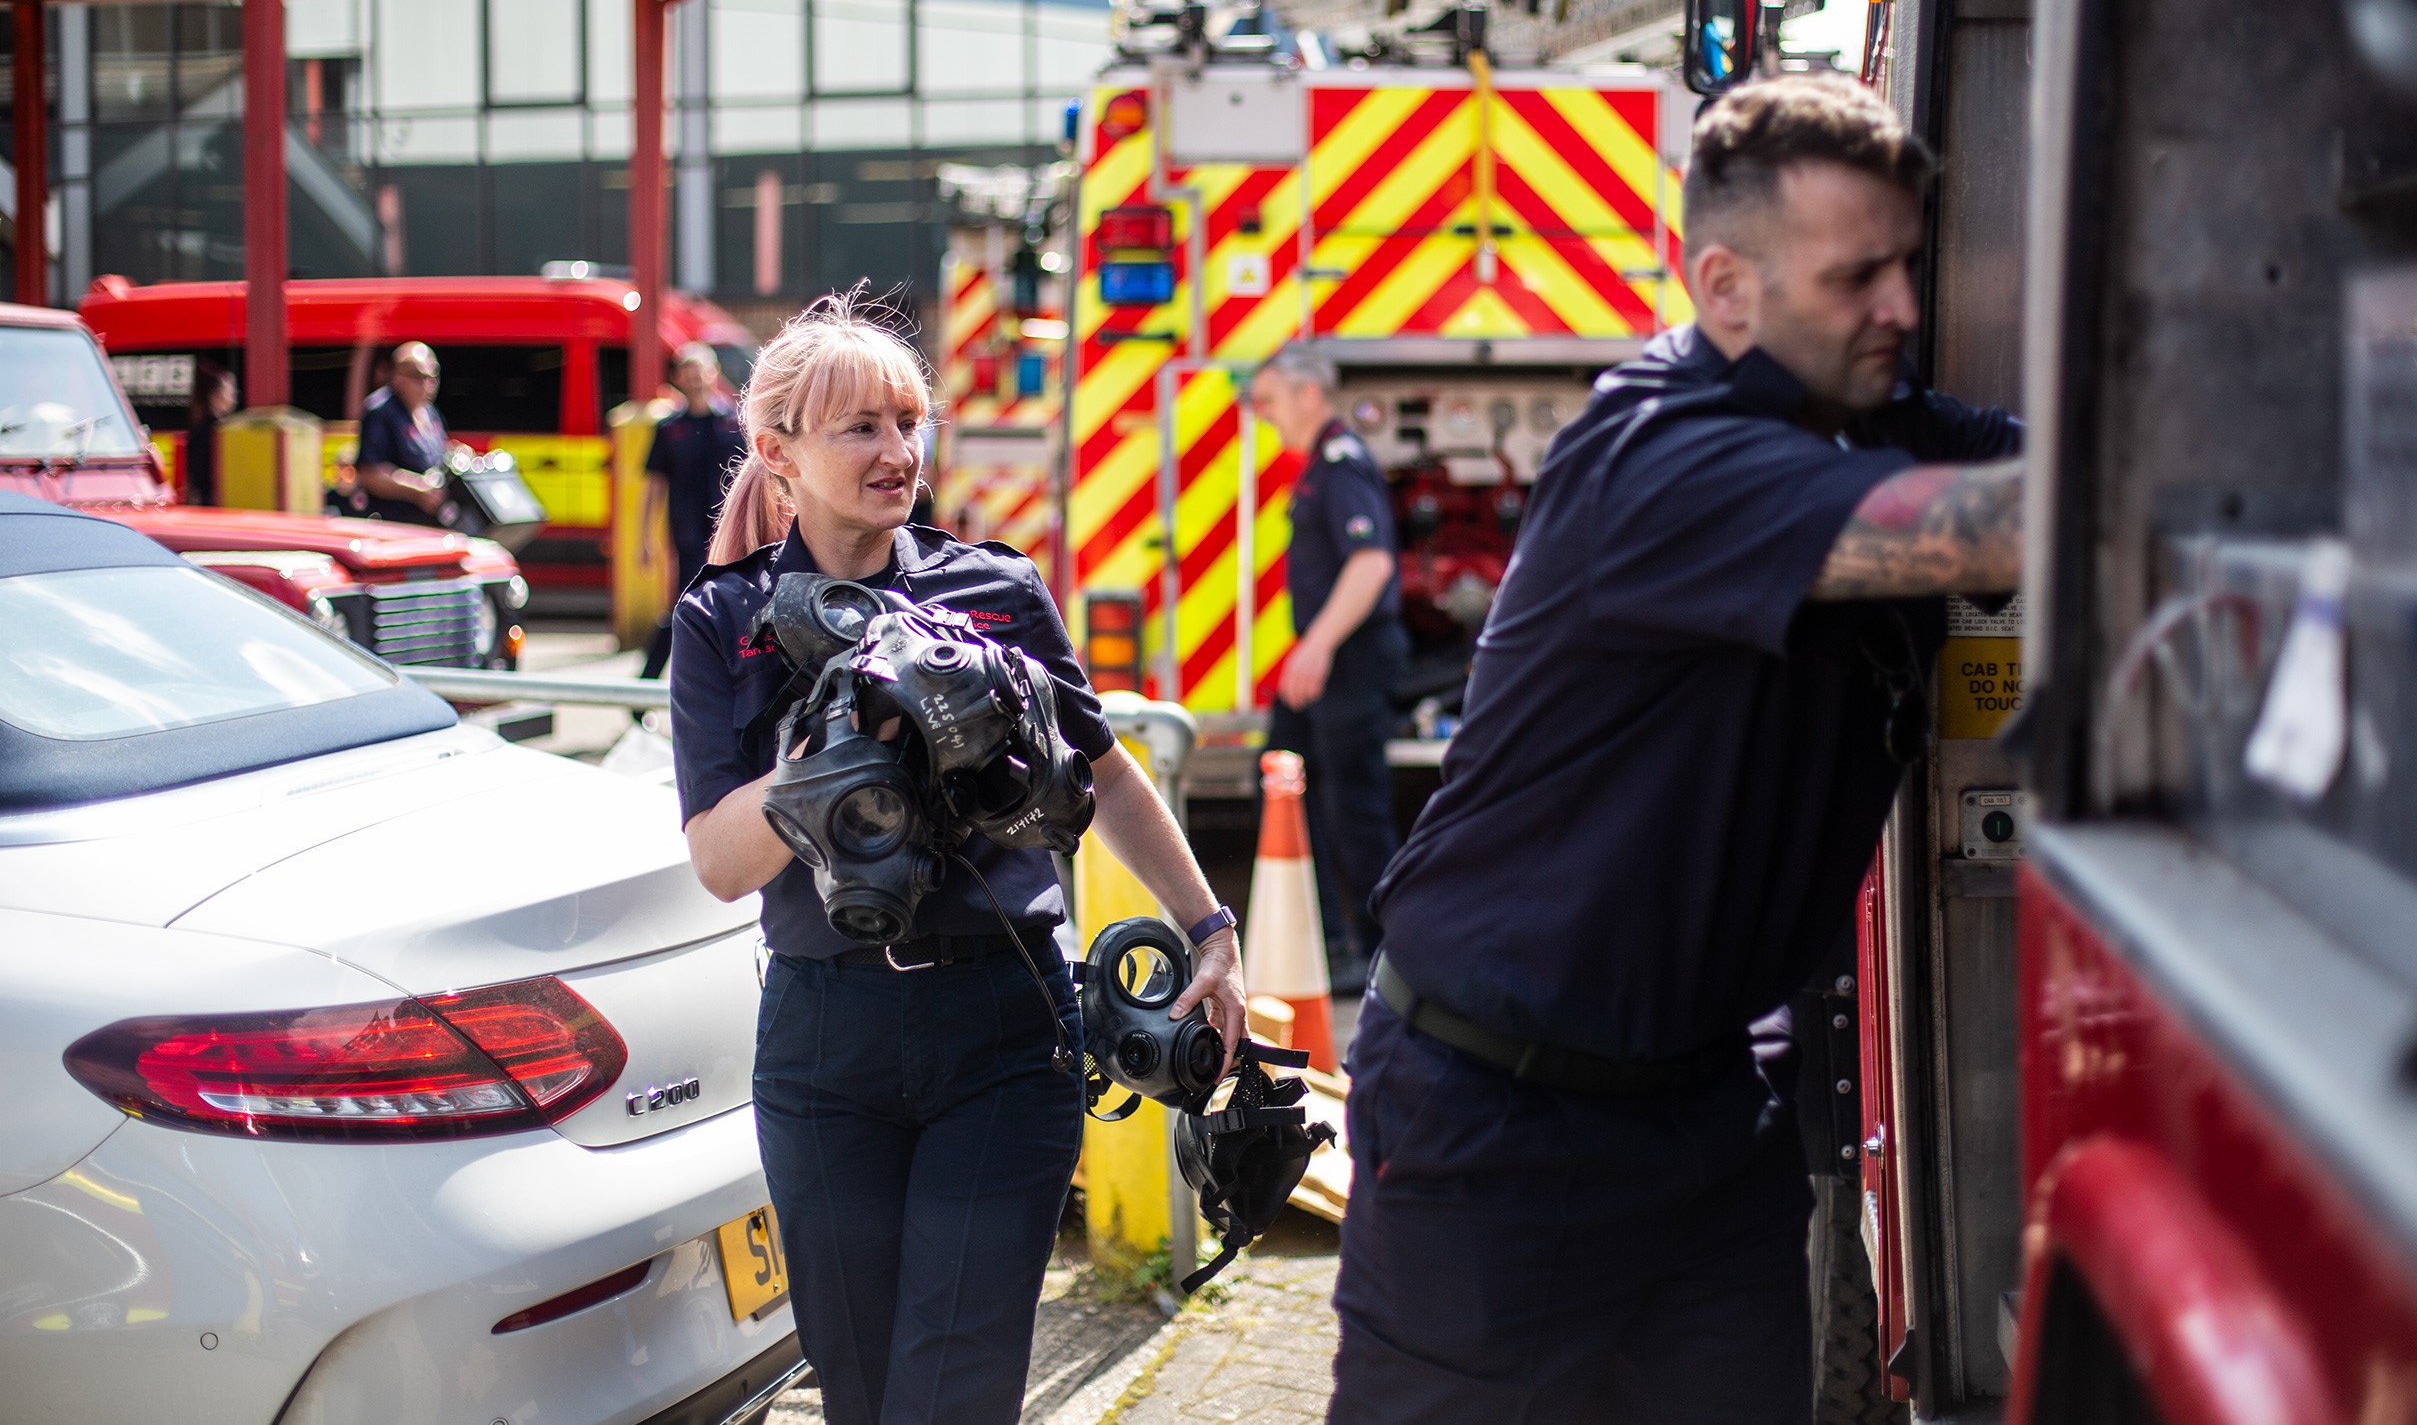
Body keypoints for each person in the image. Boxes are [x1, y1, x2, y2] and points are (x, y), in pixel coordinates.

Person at [1328, 75, 2025, 1423]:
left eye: (1908, 264)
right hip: (1497, 1126)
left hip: (1706, 1114)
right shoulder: (1657, 454)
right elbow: (2003, 524)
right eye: (1857, 274)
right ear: (1725, 285)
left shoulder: (1865, 413)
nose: (1900, 306)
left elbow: (2024, 464)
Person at [669, 296, 1248, 1425]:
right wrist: (824, 763)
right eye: (860, 429)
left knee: (954, 1392)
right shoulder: (723, 620)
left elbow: (1110, 770)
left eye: (907, 420)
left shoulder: (997, 587)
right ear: (778, 453)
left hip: (1005, 1027)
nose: (897, 453)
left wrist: (1212, 930)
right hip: (824, 1041)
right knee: (862, 1388)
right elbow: (718, 863)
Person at [1247, 343, 1405, 991]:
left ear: (1309, 394)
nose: (1264, 414)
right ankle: (1328, 942)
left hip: (1349, 658)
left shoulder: (1340, 464)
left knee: (1354, 807)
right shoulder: (1319, 465)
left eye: (1271, 399)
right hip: (1327, 659)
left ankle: (1383, 953)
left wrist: (1316, 645)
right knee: (1286, 780)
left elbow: (1371, 564)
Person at [639, 342, 747, 678]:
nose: (696, 379)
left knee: (730, 605)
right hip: (687, 534)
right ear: (678, 379)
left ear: (714, 374)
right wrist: (644, 538)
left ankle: (726, 680)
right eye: (688, 373)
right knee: (686, 605)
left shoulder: (734, 422)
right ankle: (647, 683)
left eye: (701, 371)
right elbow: (653, 486)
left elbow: (755, 479)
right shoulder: (670, 428)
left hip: (730, 532)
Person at [353, 342, 455, 526]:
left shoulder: (430, 412)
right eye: (419, 376)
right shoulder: (381, 411)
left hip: (429, 522)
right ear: (397, 377)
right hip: (393, 523)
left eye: (433, 375)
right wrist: (418, 488)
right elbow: (369, 473)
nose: (428, 384)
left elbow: (440, 455)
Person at [183, 360, 236, 506]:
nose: (233, 398)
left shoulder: (200, 426)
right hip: (212, 502)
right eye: (230, 392)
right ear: (215, 396)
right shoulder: (215, 430)